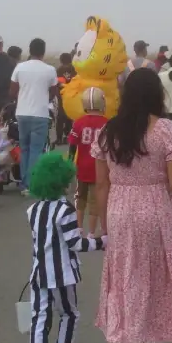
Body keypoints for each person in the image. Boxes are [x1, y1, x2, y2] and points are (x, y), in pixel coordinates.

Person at [92, 67, 172, 343]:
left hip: (119, 208)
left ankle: (115, 340)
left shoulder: (109, 132)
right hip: (154, 211)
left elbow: (101, 185)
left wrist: (105, 223)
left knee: (120, 278)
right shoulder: (165, 129)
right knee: (144, 282)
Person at [26, 152, 107, 343]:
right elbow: (76, 244)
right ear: (61, 183)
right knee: (69, 313)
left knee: (39, 318)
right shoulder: (65, 210)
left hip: (38, 273)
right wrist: (101, 242)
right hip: (61, 274)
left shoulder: (32, 210)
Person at [10, 38, 59, 193]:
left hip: (22, 113)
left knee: (24, 148)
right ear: (43, 52)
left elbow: (12, 91)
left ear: (29, 50)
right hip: (40, 114)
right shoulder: (50, 70)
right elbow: (53, 92)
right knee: (36, 150)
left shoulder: (20, 67)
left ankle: (24, 183)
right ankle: (32, 184)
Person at [67, 87, 108, 237]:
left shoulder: (78, 123)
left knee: (80, 198)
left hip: (81, 167)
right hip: (100, 168)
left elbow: (72, 145)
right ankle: (91, 231)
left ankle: (78, 228)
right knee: (95, 201)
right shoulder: (107, 123)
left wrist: (70, 162)